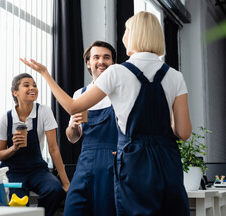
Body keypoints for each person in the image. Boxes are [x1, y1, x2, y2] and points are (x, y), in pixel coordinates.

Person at [21, 11, 192, 216]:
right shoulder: (175, 76)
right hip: (167, 159)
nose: (124, 36)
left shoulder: (117, 72)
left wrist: (46, 75)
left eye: (127, 30)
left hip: (133, 158)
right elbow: (183, 132)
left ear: (136, 34)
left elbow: (73, 107)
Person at [0, 73, 70, 216]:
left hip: (37, 168)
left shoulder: (43, 111)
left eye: (34, 85)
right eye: (27, 85)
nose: (33, 88)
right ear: (15, 92)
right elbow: (0, 154)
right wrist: (14, 148)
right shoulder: (6, 118)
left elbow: (53, 149)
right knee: (17, 201)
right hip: (13, 170)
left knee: (54, 189)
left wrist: (65, 182)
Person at [64, 41, 117, 216]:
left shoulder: (120, 92)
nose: (101, 61)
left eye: (106, 57)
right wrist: (72, 126)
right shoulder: (79, 94)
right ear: (88, 63)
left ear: (113, 63)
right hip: (85, 163)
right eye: (96, 57)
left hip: (113, 163)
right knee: (73, 210)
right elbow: (73, 137)